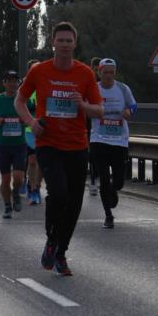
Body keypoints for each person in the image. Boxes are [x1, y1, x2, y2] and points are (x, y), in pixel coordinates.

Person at [15, 22, 103, 277]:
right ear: (52, 42)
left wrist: (83, 105)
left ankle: (60, 253)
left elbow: (100, 111)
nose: (64, 45)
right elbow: (19, 100)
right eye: (60, 40)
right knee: (60, 193)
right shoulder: (39, 71)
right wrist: (31, 123)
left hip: (77, 145)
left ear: (75, 44)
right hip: (49, 143)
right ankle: (52, 239)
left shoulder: (85, 73)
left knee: (75, 203)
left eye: (69, 40)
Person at [88, 58, 137, 228]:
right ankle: (108, 215)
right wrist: (93, 111)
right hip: (98, 140)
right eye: (105, 72)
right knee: (103, 178)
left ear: (114, 73)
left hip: (119, 140)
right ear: (99, 72)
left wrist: (128, 111)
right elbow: (85, 108)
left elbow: (134, 105)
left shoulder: (123, 89)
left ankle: (113, 190)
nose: (108, 76)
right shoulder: (94, 89)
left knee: (118, 181)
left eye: (111, 72)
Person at [0, 71, 32, 219]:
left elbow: (33, 113)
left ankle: (16, 193)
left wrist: (26, 119)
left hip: (19, 144)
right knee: (6, 178)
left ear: (18, 83)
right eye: (9, 81)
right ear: (4, 83)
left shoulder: (23, 100)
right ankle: (7, 205)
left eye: (15, 81)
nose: (12, 84)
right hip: (3, 144)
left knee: (19, 177)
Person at [24, 59, 43, 205]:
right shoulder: (26, 86)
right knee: (31, 161)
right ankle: (32, 188)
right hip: (29, 130)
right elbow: (21, 105)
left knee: (40, 162)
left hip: (45, 130)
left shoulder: (48, 84)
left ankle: (37, 186)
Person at [87, 57, 101, 197]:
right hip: (87, 122)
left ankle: (97, 178)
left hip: (100, 122)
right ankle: (92, 180)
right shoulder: (88, 80)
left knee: (99, 153)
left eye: (98, 68)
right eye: (94, 68)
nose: (96, 71)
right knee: (91, 154)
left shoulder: (105, 83)